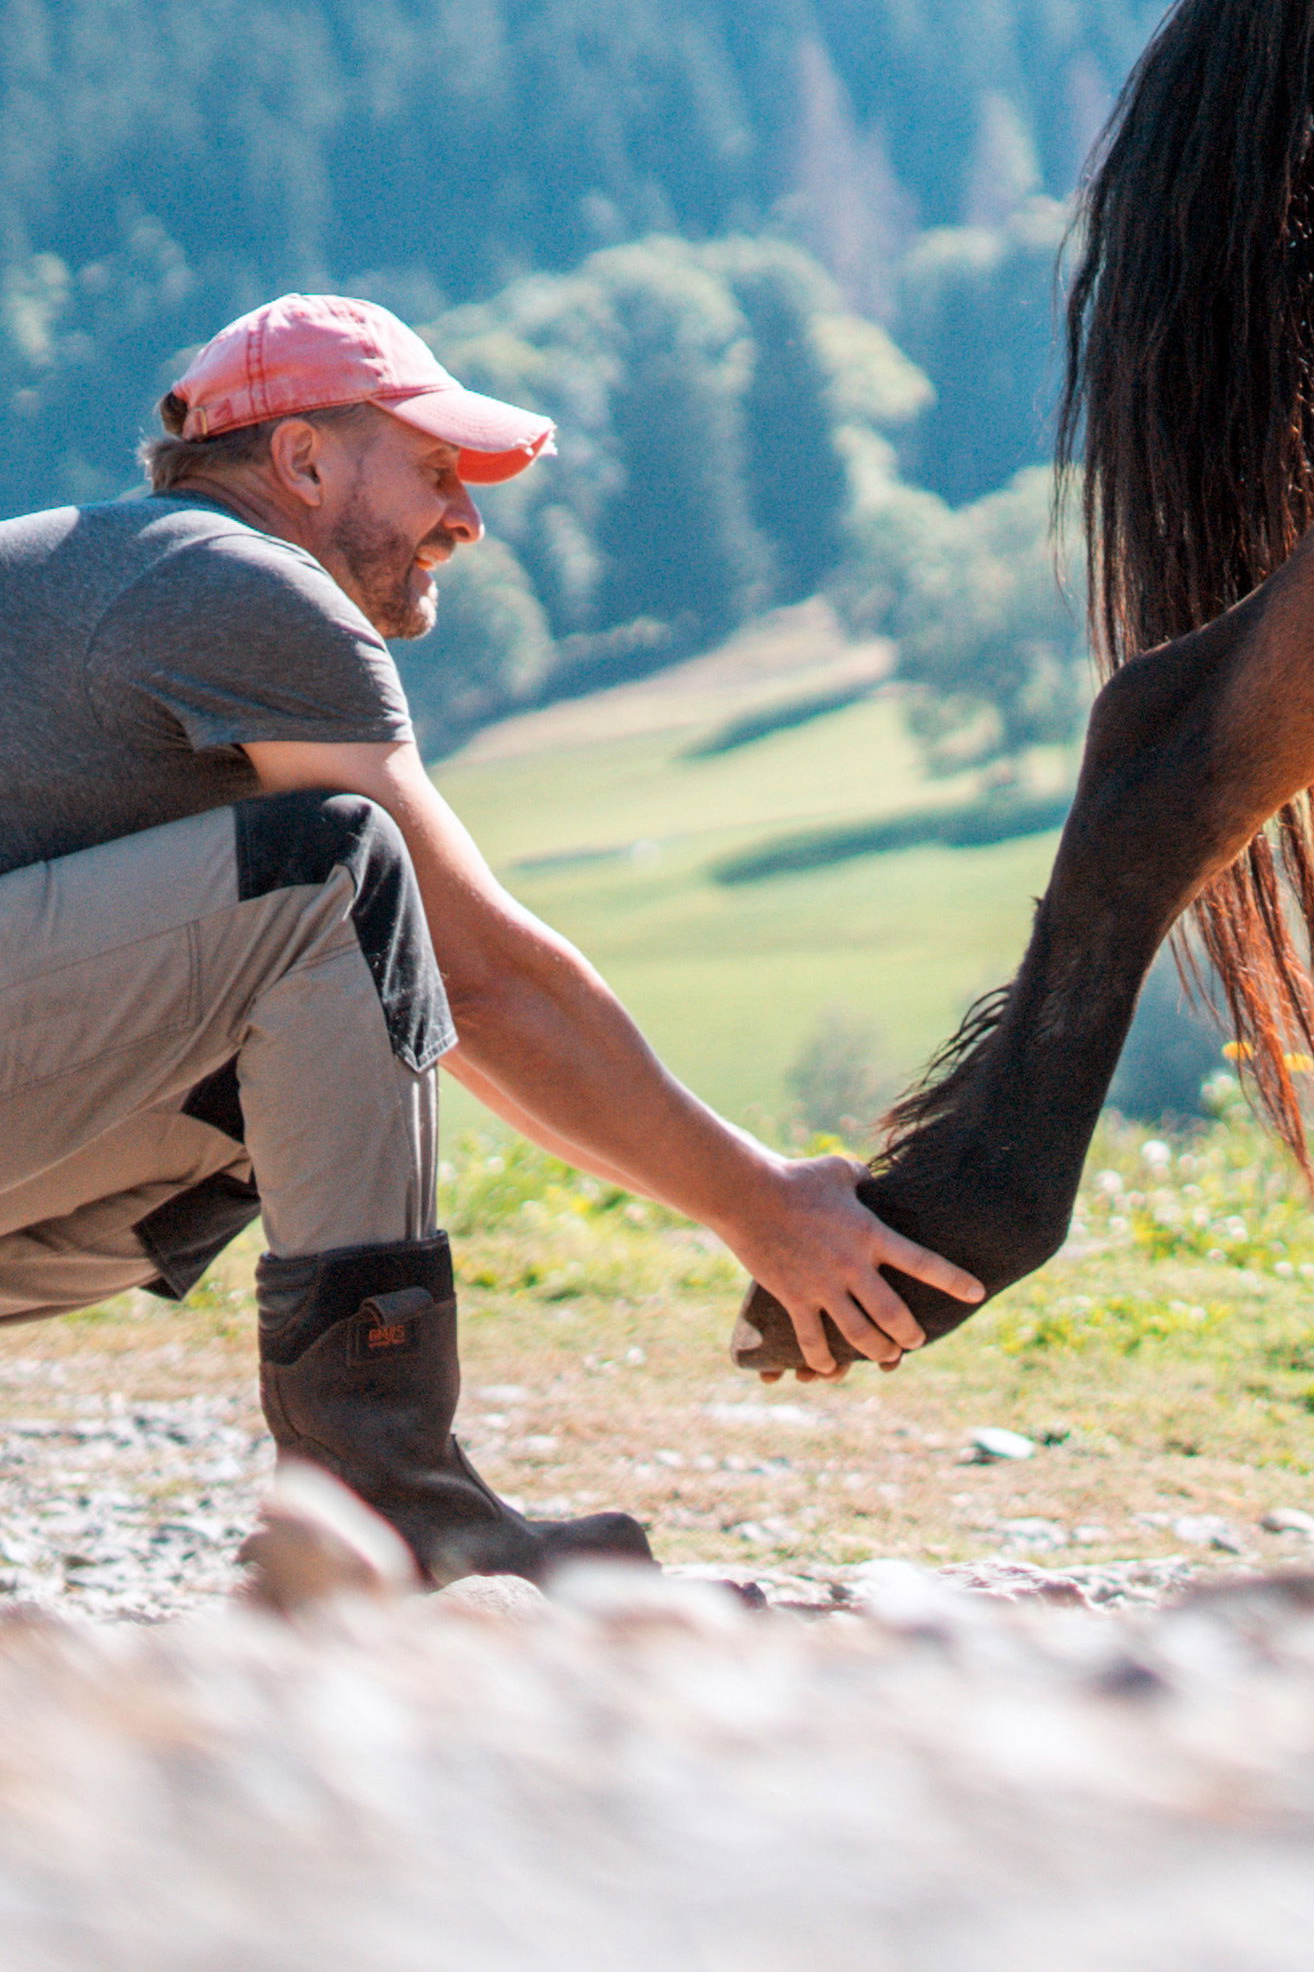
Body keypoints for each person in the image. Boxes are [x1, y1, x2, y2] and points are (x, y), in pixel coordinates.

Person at [0, 293, 981, 1586]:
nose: (465, 519)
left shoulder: (113, 576)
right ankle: (389, 1507)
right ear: (300, 460)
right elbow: (483, 980)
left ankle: (363, 1515)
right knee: (338, 872)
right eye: (434, 472)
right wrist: (758, 1203)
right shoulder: (241, 582)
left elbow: (423, 1009)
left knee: (291, 1055)